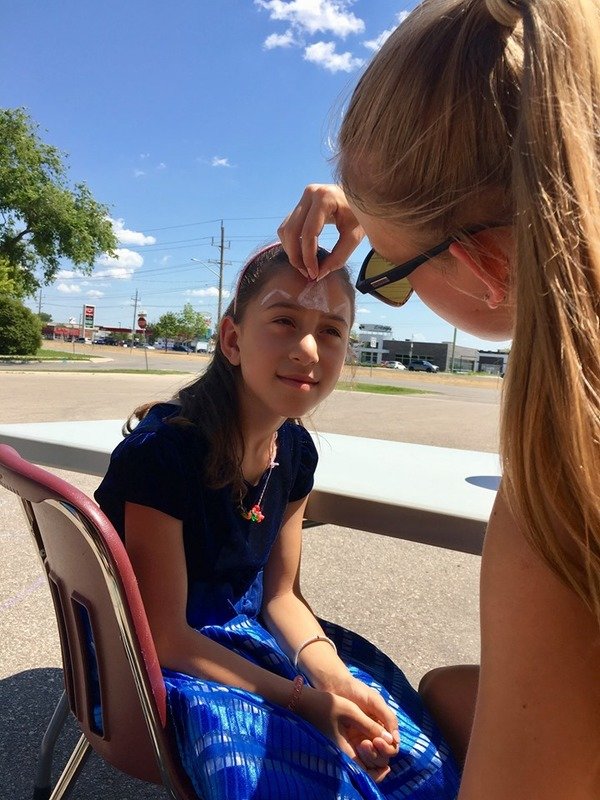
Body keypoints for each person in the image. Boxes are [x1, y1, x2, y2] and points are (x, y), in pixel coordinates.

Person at [278, 1, 600, 798]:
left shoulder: (560, 485)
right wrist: (397, 220)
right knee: (447, 690)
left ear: (487, 264)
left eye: (388, 274)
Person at [95, 244, 460, 800]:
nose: (308, 349)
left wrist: (331, 678)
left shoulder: (295, 452)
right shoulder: (162, 455)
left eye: (331, 330)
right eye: (285, 320)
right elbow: (164, 636)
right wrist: (303, 700)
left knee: (413, 759)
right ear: (232, 339)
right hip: (161, 663)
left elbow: (281, 596)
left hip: (249, 637)